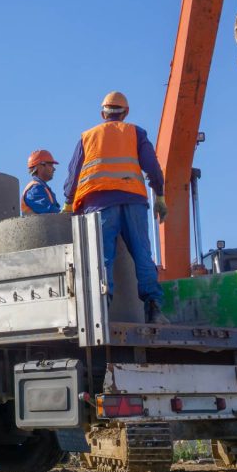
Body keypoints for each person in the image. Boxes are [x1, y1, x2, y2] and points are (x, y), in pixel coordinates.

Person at [61, 92, 169, 324]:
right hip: (133, 201)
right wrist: (159, 194)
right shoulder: (136, 132)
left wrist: (69, 201)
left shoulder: (87, 137)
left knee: (102, 259)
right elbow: (152, 167)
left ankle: (101, 311)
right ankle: (154, 308)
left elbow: (73, 174)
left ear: (103, 114)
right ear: (126, 113)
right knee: (142, 255)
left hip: (99, 204)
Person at [22, 150, 62, 215]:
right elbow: (48, 210)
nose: (54, 169)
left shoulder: (43, 188)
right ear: (40, 166)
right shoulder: (34, 189)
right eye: (50, 165)